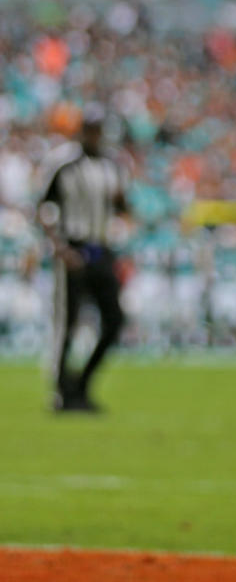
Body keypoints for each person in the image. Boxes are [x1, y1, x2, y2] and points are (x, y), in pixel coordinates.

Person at [37, 105, 128, 413]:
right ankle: (63, 391)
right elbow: (44, 208)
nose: (95, 135)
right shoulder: (63, 162)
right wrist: (61, 249)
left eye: (99, 129)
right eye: (91, 128)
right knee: (68, 322)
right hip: (73, 247)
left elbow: (120, 206)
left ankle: (82, 384)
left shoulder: (111, 165)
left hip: (100, 248)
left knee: (114, 320)